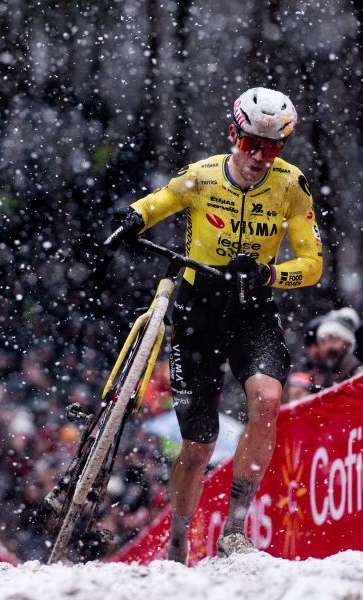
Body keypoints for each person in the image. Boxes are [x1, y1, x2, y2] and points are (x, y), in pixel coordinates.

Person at [106, 87, 322, 562]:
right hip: (197, 313)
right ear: (233, 135)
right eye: (251, 145)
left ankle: (235, 529)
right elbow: (160, 200)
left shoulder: (291, 185)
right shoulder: (202, 176)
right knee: (199, 445)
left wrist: (269, 274)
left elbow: (312, 264)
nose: (260, 158)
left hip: (252, 309)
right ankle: (179, 539)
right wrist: (131, 218)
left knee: (267, 400)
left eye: (272, 148)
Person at [314, 307, 362, 386]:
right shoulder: (327, 377)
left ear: (348, 342)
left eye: (334, 340)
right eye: (323, 342)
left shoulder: (359, 373)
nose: (328, 347)